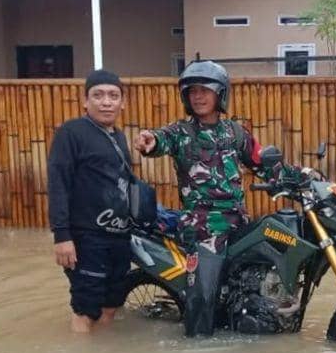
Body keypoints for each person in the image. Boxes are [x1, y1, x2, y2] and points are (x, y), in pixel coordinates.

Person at [135, 60, 316, 336]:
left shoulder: (235, 133)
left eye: (204, 90)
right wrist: (150, 141)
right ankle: (199, 343)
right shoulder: (181, 133)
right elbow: (160, 140)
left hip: (237, 222)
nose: (198, 96)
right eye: (192, 91)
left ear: (220, 93)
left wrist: (303, 176)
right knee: (203, 296)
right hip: (203, 227)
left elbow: (263, 164)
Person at [47, 69, 133, 334]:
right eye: (98, 95)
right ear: (85, 101)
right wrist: (62, 236)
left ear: (122, 102)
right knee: (87, 307)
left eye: (113, 95)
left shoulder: (118, 136)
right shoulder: (71, 133)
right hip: (87, 237)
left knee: (112, 303)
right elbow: (58, 184)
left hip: (119, 235)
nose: (106, 101)